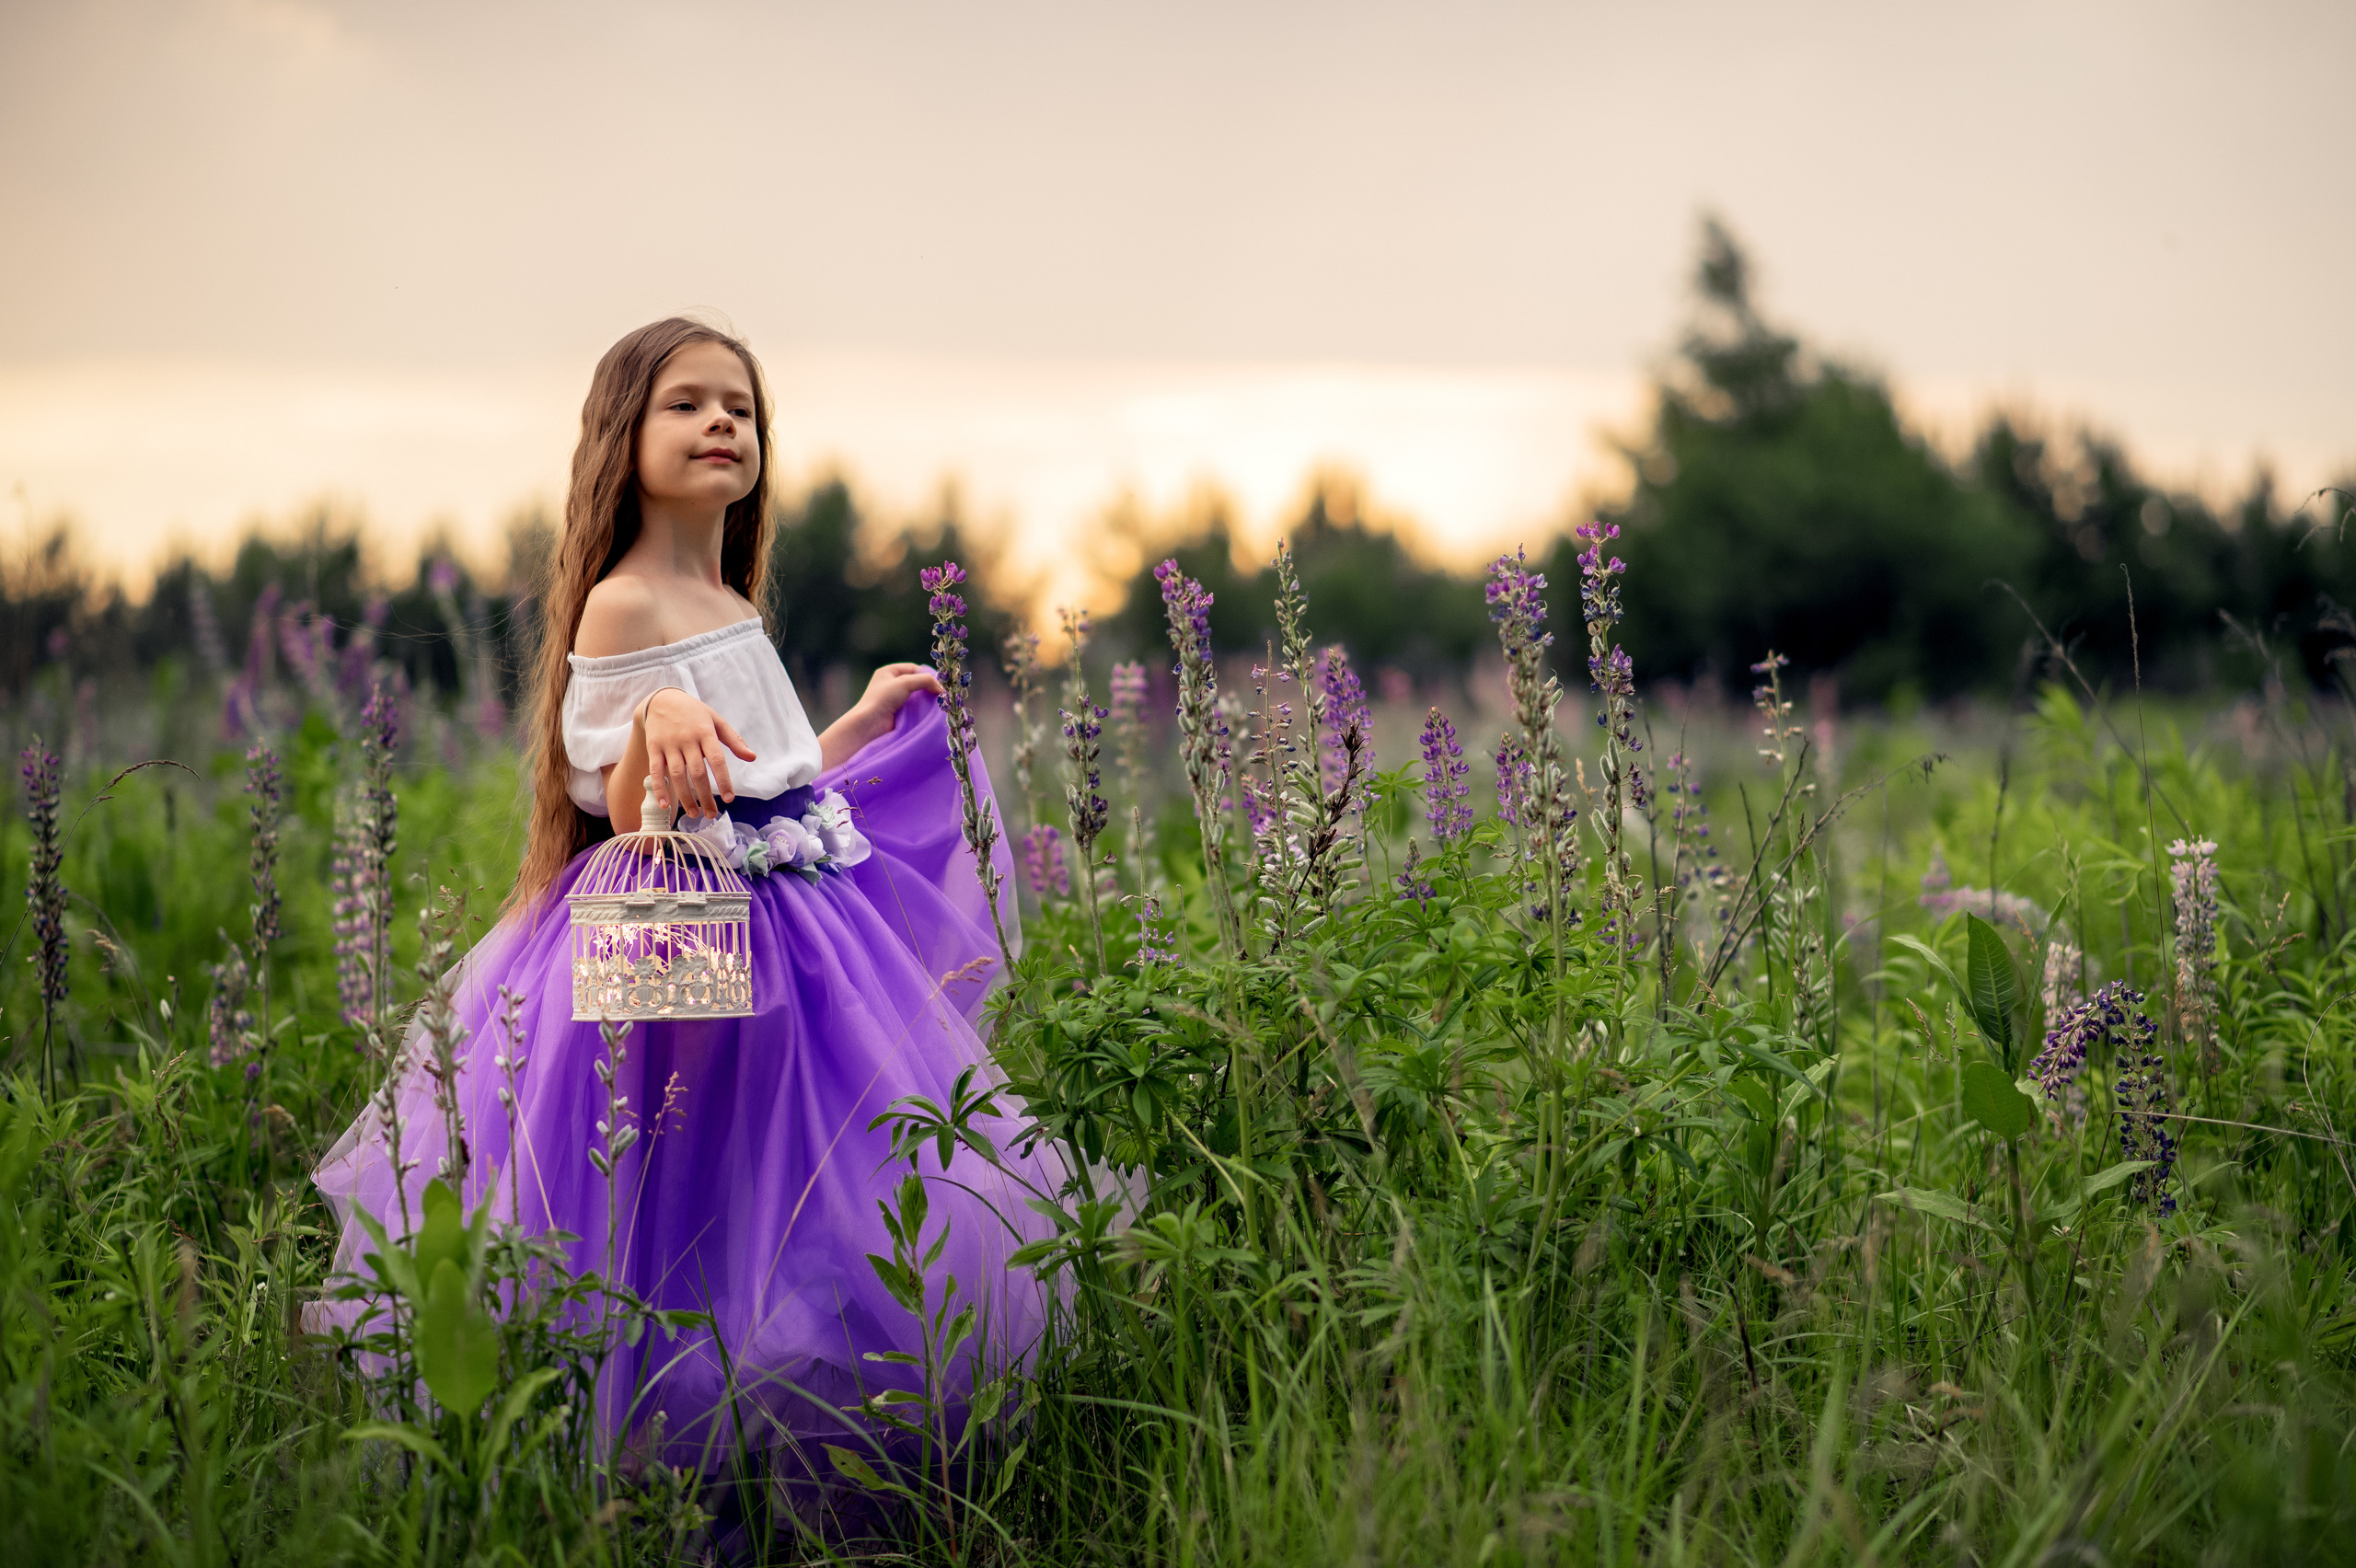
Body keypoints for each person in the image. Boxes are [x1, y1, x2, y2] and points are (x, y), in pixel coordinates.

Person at [307, 317, 1058, 1492]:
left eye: (741, 409)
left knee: (801, 1176)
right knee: (668, 1174)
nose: (722, 423)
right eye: (688, 404)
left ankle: (793, 1424)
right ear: (622, 434)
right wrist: (655, 720)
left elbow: (764, 773)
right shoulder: (620, 603)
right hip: (674, 918)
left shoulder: (726, 601)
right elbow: (616, 796)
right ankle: (645, 1451)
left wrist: (852, 726)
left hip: (787, 930)